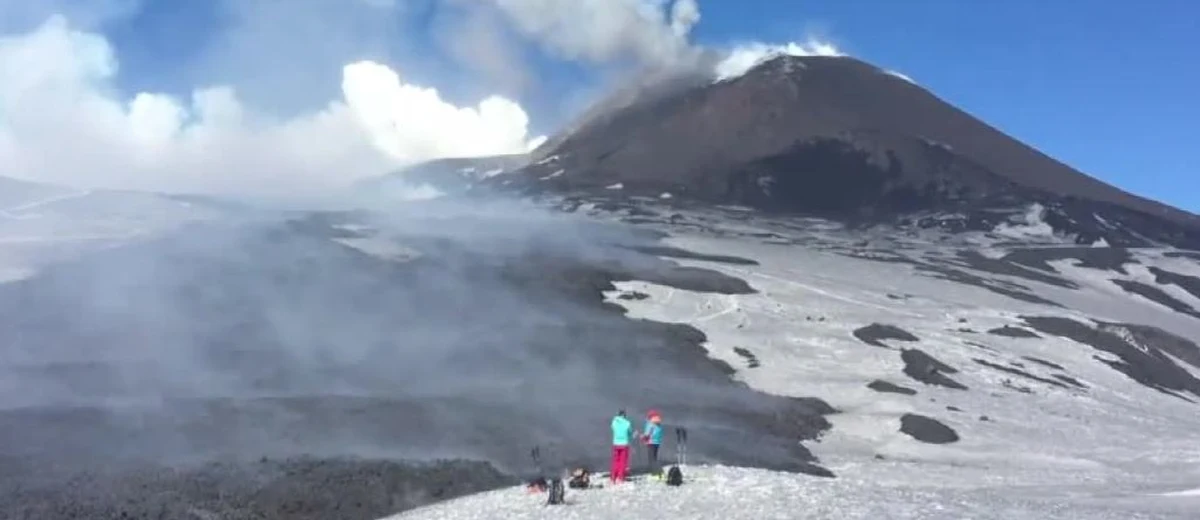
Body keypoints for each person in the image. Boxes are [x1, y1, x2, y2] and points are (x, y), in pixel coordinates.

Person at [610, 409, 634, 483]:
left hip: (615, 444)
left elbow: (612, 429)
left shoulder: (614, 422)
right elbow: (630, 432)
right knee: (622, 461)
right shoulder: (627, 423)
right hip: (624, 444)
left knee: (615, 460)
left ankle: (613, 476)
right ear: (624, 415)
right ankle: (621, 477)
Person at [642, 409, 664, 474]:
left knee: (651, 458)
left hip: (651, 442)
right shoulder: (659, 424)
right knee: (654, 457)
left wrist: (643, 437)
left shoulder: (650, 423)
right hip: (657, 442)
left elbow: (647, 434)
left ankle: (655, 472)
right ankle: (654, 470)